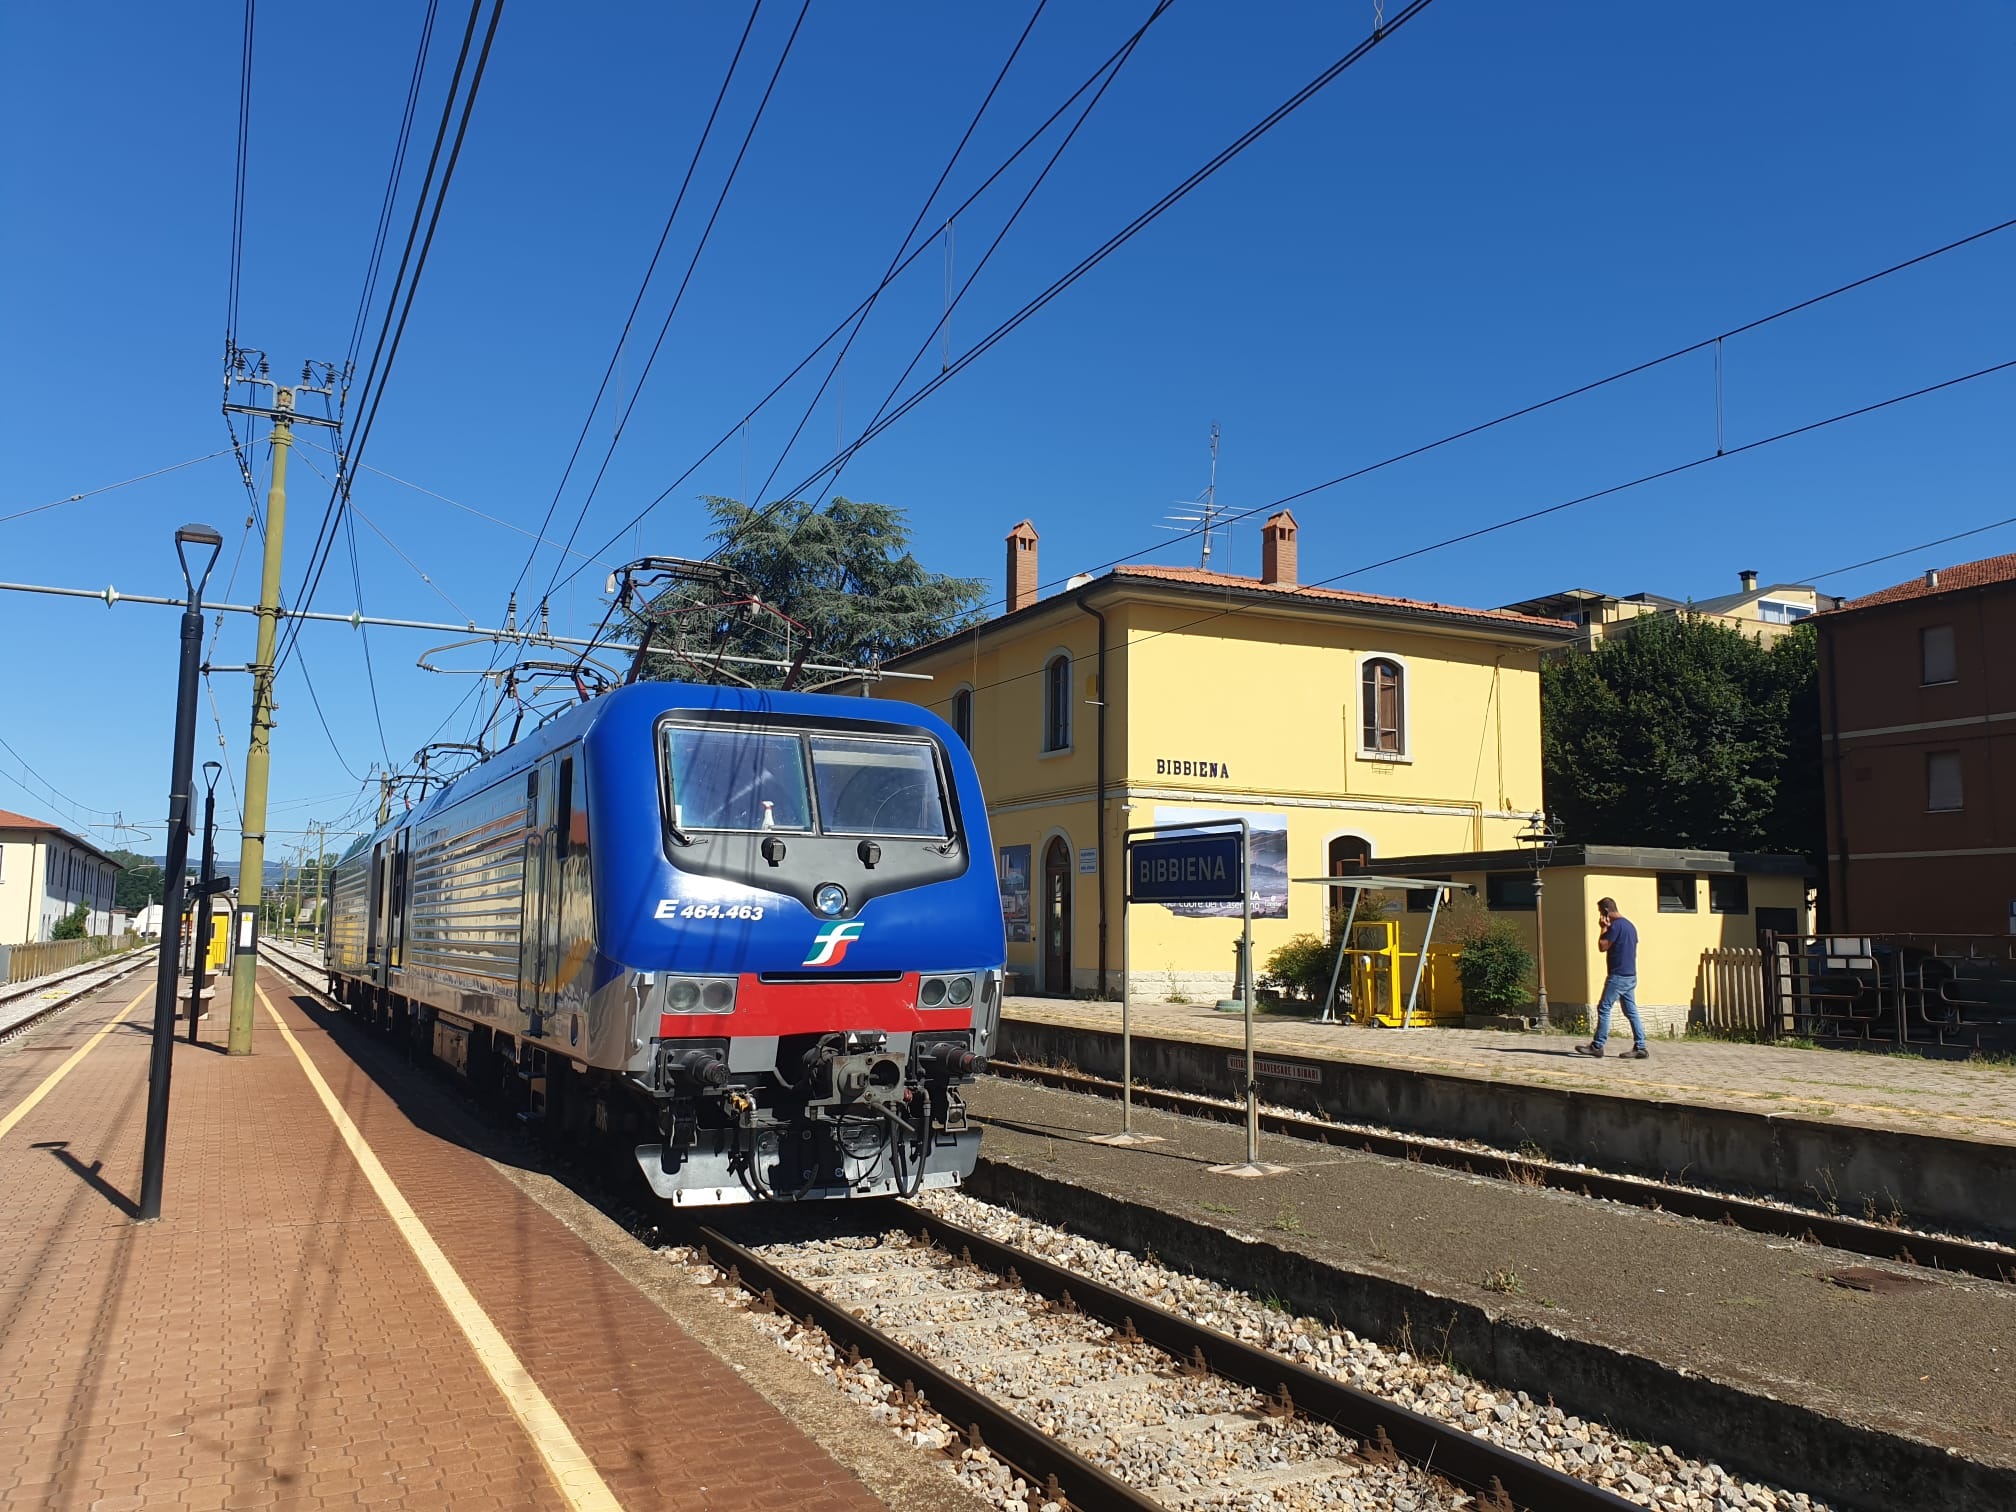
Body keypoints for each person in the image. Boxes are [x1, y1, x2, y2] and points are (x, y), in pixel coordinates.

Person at [1574, 896, 1647, 1059]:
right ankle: (1641, 1047)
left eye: (1600, 911)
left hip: (1618, 975)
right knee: (1631, 1011)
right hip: (1630, 974)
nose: (1600, 915)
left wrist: (1603, 928)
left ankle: (1597, 1045)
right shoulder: (1630, 926)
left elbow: (1603, 946)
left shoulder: (1616, 926)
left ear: (1606, 911)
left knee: (1604, 1008)